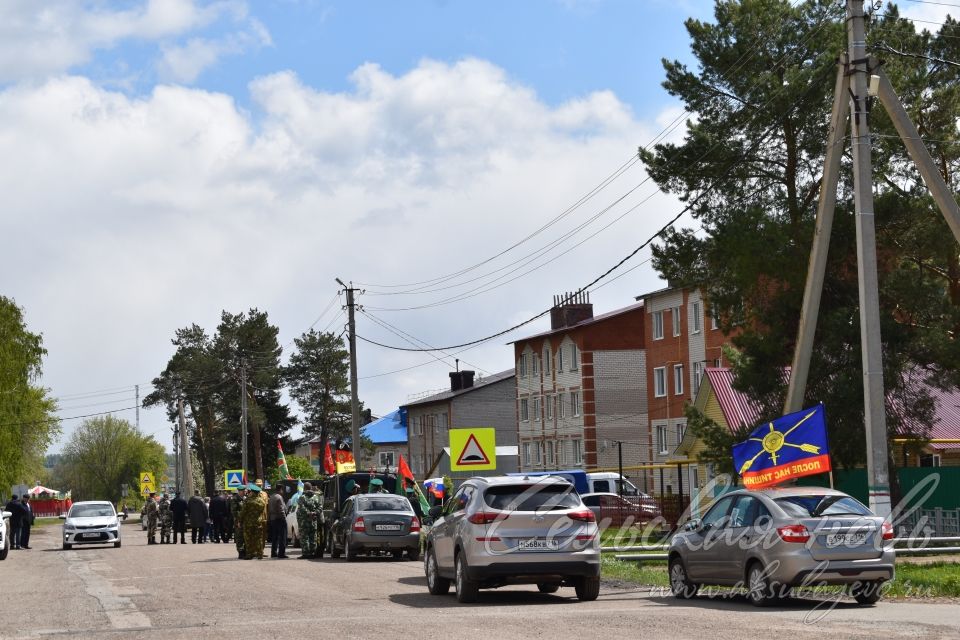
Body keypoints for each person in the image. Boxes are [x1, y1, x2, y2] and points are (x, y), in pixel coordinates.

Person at [240, 484, 267, 559]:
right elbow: (262, 511)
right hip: (258, 522)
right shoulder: (262, 501)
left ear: (252, 492)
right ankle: (260, 554)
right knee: (259, 538)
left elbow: (243, 512)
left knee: (248, 539)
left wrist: (240, 521)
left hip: (248, 522)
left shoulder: (247, 501)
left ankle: (249, 554)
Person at [296, 483, 322, 559]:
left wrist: (308, 513)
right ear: (311, 488)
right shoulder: (316, 497)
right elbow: (320, 507)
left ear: (304, 489)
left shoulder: (302, 497)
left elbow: (302, 508)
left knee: (304, 537)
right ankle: (312, 552)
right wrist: (315, 513)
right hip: (313, 520)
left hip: (304, 521)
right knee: (313, 536)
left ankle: (306, 553)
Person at [267, 491, 288, 558]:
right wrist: (284, 518)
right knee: (282, 537)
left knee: (275, 537)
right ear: (280, 490)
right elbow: (281, 509)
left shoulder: (271, 497)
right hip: (279, 518)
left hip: (273, 519)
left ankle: (274, 553)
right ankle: (281, 553)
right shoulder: (279, 497)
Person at [230, 487, 246, 559]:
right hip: (238, 521)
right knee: (239, 536)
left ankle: (245, 551)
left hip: (245, 520)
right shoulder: (235, 499)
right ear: (239, 491)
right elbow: (234, 511)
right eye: (243, 491)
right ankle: (240, 552)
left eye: (245, 491)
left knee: (245, 536)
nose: (245, 492)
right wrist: (239, 520)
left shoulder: (245, 498)